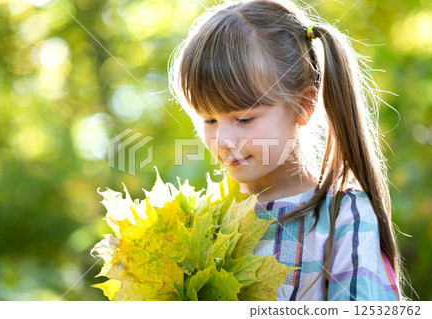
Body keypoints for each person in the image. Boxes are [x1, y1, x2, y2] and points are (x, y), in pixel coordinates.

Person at [168, 0, 402, 301]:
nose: (223, 139)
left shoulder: (341, 217)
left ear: (304, 105)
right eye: (209, 119)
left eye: (243, 119)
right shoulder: (204, 221)